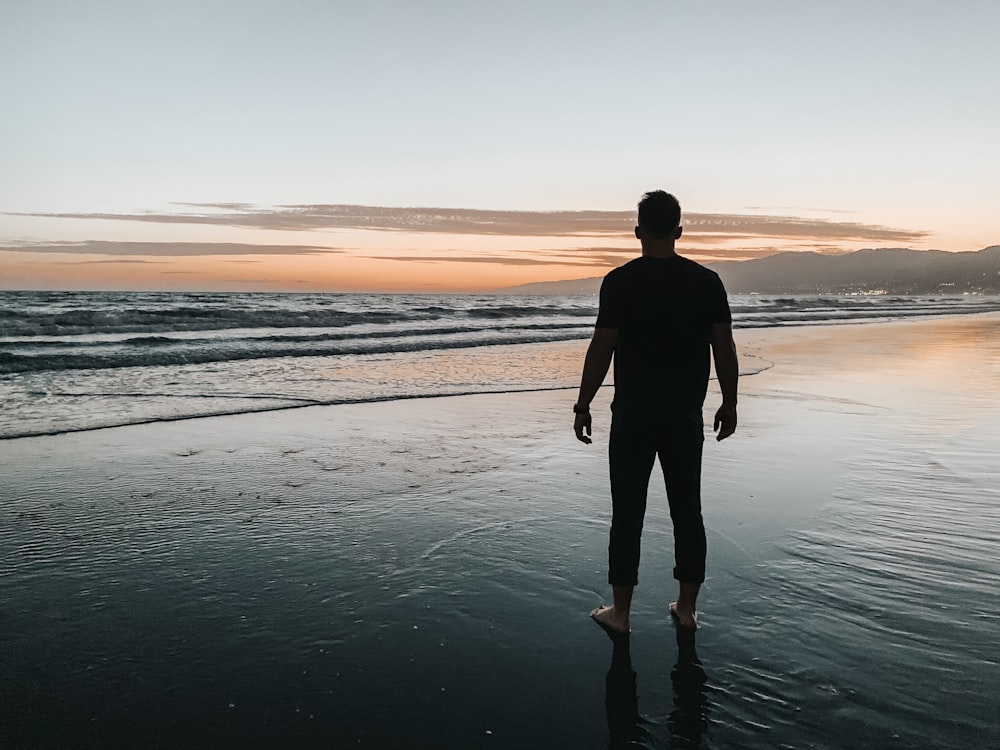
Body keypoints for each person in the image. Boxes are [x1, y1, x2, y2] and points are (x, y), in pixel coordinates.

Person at [574, 190, 738, 633]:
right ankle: (686, 609)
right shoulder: (707, 282)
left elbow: (602, 348)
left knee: (627, 513)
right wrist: (730, 401)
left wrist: (583, 403)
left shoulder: (620, 281)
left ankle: (621, 614)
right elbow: (723, 347)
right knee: (688, 511)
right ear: (679, 231)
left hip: (632, 416)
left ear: (638, 232)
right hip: (684, 416)